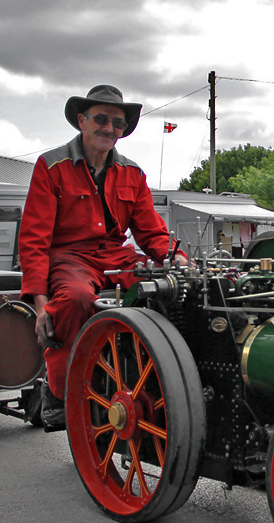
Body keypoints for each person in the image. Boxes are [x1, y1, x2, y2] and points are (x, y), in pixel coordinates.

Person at [18, 84, 187, 432]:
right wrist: (39, 306)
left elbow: (152, 233)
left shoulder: (133, 174)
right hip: (70, 257)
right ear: (82, 120)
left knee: (166, 289)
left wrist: (180, 262)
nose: (109, 128)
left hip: (117, 256)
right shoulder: (51, 167)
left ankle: (156, 379)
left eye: (118, 123)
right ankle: (59, 390)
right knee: (76, 298)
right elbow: (34, 241)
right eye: (101, 119)